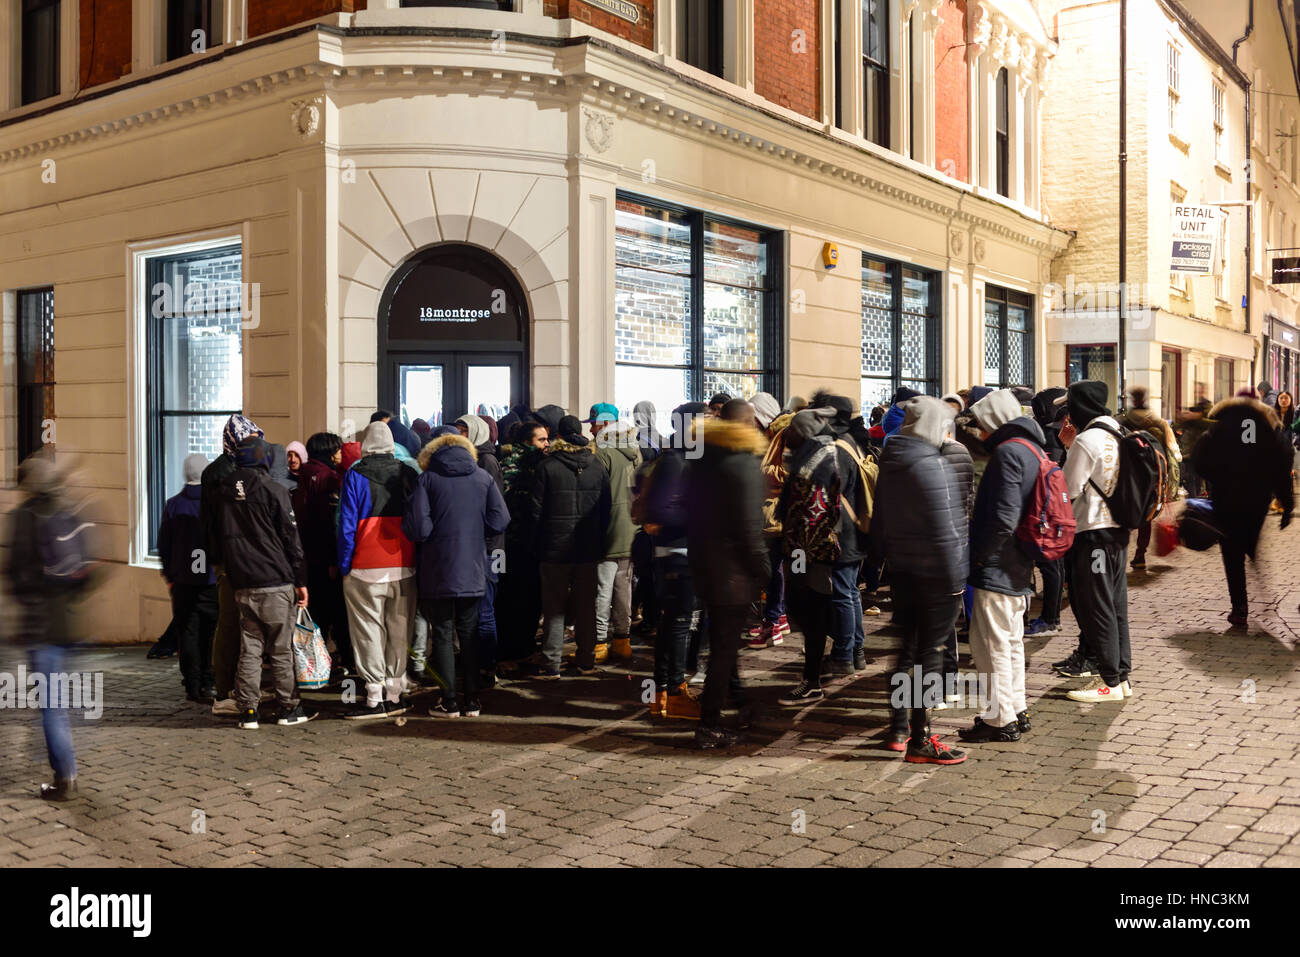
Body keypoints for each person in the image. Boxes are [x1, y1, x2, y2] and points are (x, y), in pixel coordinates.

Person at [872, 396, 972, 764]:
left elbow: (878, 524)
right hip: (936, 575)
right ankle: (921, 738)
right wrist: (955, 579)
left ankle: (899, 729)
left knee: (906, 652)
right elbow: (945, 527)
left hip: (905, 572)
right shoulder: (931, 463)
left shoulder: (894, 459)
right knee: (929, 656)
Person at [8, 451, 98, 800]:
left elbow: (16, 574)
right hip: (70, 624)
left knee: (51, 706)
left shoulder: (24, 518)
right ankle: (63, 764)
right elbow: (87, 573)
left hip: (41, 625)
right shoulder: (68, 513)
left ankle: (65, 777)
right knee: (57, 701)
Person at [404, 425, 510, 717]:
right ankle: (472, 700)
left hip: (437, 568)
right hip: (474, 567)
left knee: (442, 632)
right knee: (469, 632)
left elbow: (419, 528)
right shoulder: (482, 477)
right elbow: (500, 519)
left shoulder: (427, 480)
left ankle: (448, 700)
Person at [959, 389, 1044, 744]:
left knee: (990, 645)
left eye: (979, 424)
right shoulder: (1031, 448)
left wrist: (979, 556)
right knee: (1010, 641)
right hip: (1017, 562)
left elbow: (1003, 517)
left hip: (999, 564)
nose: (977, 431)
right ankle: (1015, 709)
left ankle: (998, 720)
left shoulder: (1008, 453)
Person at [212, 436, 313, 729]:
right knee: (281, 648)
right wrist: (300, 579)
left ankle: (249, 711)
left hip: (242, 580)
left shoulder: (223, 492)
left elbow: (217, 537)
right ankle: (288, 707)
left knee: (251, 646)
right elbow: (291, 538)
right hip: (275, 578)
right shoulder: (274, 489)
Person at [687, 399, 770, 749]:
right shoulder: (744, 464)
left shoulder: (702, 458)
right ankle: (709, 725)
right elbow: (750, 529)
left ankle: (740, 702)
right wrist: (763, 571)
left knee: (724, 643)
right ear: (748, 423)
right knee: (723, 649)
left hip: (704, 564)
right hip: (733, 572)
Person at [337, 422, 420, 720]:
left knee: (368, 631)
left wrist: (345, 563)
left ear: (365, 445)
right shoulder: (409, 473)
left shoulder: (355, 474)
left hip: (364, 565)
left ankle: (374, 696)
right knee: (399, 630)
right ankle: (395, 693)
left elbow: (346, 525)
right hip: (404, 563)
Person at [1057, 381, 1131, 702]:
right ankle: (1122, 677)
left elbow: (1068, 489)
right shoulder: (1120, 434)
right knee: (1115, 606)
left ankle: (1110, 683)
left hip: (1093, 534)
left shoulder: (1087, 441)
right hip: (1118, 532)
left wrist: (1068, 450)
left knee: (1098, 606)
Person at [1192, 394, 1294, 627]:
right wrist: (1287, 504)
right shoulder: (1267, 428)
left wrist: (1218, 478)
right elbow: (1281, 464)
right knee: (1249, 542)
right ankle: (1256, 568)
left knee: (1231, 553)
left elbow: (1199, 461)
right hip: (1257, 501)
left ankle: (1239, 608)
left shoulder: (1219, 427)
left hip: (1226, 499)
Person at [532, 414, 611, 678]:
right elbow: (605, 509)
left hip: (554, 549)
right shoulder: (597, 465)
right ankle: (586, 659)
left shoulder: (547, 466)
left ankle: (551, 662)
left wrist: (538, 543)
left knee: (554, 606)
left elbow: (536, 512)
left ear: (559, 436)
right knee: (586, 604)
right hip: (588, 548)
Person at [642, 402, 708, 717]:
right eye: (705, 420)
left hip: (685, 551)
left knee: (676, 625)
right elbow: (660, 512)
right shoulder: (674, 459)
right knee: (679, 624)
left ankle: (663, 696)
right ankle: (672, 694)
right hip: (676, 554)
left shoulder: (689, 457)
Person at [776, 405, 841, 706]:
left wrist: (799, 562)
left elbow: (811, 518)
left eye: (792, 430)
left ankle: (812, 680)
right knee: (810, 613)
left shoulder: (816, 463)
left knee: (812, 613)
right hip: (807, 551)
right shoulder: (817, 455)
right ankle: (815, 673)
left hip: (810, 552)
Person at [200, 414, 264, 716]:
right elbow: (216, 521)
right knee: (229, 623)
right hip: (230, 559)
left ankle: (243, 685)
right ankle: (224, 689)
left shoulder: (228, 469)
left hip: (238, 556)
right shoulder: (222, 473)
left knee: (245, 622)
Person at [811, 391, 873, 675]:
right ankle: (855, 651)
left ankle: (842, 656)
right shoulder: (851, 442)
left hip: (840, 533)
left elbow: (828, 495)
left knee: (841, 594)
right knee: (849, 592)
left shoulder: (834, 449)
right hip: (854, 531)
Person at [158, 453, 217, 702]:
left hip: (183, 581)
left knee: (188, 632)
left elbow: (164, 544)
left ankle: (191, 683)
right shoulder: (213, 503)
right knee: (210, 633)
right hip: (211, 580)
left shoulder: (174, 504)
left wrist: (169, 574)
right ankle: (208, 678)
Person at [292, 432, 352, 676]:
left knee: (314, 615)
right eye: (337, 450)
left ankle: (313, 666)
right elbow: (329, 524)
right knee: (337, 614)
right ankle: (344, 663)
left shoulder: (300, 477)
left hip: (303, 558)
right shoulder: (330, 479)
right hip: (326, 558)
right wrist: (334, 559)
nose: (340, 455)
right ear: (328, 451)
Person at [590, 404, 642, 662]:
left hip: (608, 529)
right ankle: (623, 640)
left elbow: (595, 495)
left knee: (603, 587)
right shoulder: (636, 454)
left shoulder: (602, 454)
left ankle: (599, 642)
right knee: (624, 587)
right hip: (631, 528)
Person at [496, 419, 549, 667]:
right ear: (527, 441)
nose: (546, 444)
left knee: (518, 596)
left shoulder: (537, 464)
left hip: (517, 542)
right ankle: (516, 647)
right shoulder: (518, 466)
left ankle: (517, 646)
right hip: (517, 542)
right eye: (541, 439)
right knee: (519, 597)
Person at [456, 414, 505, 676]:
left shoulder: (486, 461)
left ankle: (486, 667)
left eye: (463, 430)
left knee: (485, 609)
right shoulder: (474, 459)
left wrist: (485, 547)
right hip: (481, 548)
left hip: (487, 549)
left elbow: (495, 513)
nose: (459, 435)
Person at [1122, 386, 1180, 570]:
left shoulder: (1123, 421)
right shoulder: (1159, 423)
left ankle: (1121, 554)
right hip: (1152, 475)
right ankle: (1140, 554)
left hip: (1129, 475)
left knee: (1126, 513)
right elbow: (1170, 453)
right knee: (1147, 515)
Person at [1025, 387, 1068, 637]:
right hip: (1057, 507)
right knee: (1054, 565)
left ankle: (1050, 618)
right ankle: (1051, 616)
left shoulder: (1052, 435)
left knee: (1050, 565)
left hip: (1048, 509)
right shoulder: (1058, 433)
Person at [750, 407, 794, 648]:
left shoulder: (786, 435)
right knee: (776, 568)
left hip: (778, 516)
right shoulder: (779, 436)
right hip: (779, 514)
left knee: (774, 569)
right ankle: (779, 617)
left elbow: (788, 471)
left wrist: (762, 473)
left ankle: (773, 623)